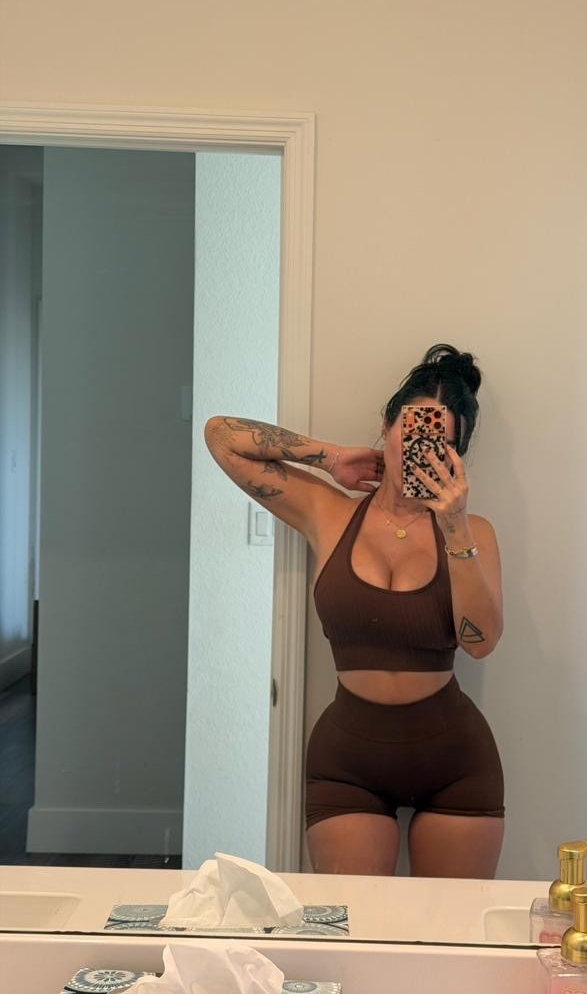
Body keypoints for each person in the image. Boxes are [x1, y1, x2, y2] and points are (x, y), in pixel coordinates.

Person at [204, 344, 504, 877]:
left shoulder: (472, 532)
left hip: (455, 760)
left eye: (441, 443)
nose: (422, 450)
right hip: (348, 762)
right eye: (411, 430)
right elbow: (221, 436)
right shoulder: (329, 513)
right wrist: (329, 457)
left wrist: (454, 526)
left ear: (457, 456)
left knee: (453, 927)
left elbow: (480, 643)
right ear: (387, 426)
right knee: (353, 923)